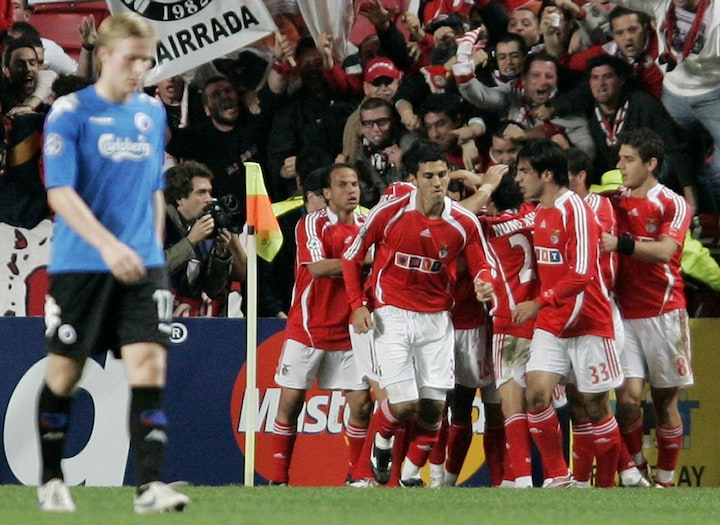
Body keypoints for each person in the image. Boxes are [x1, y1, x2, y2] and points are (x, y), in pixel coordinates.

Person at [37, 12, 190, 513]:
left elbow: (154, 189)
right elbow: (60, 193)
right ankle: (51, 477)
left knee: (150, 364)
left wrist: (154, 250)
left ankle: (149, 486)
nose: (140, 70)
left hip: (141, 265)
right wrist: (108, 246)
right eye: (131, 59)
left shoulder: (152, 113)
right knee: (66, 372)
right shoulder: (69, 112)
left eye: (147, 61)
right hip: (81, 264)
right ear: (103, 56)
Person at [342, 139, 496, 487]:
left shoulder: (463, 222)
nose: (438, 182)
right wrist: (357, 304)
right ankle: (382, 441)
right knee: (403, 405)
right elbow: (352, 256)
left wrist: (485, 282)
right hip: (392, 315)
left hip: (437, 319)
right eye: (429, 176)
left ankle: (410, 475)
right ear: (413, 178)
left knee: (433, 411)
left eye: (442, 174)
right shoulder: (390, 212)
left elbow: (483, 264)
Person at [512, 139, 624, 488]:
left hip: (589, 321)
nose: (518, 179)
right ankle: (558, 478)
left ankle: (605, 488)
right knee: (535, 395)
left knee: (595, 407)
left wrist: (537, 303)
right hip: (553, 323)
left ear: (547, 174)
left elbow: (582, 273)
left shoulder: (575, 209)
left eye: (524, 171)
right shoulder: (541, 212)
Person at [268, 163, 371, 486]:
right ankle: (278, 479)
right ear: (326, 192)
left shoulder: (368, 224)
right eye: (342, 184)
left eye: (354, 184)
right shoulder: (311, 223)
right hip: (308, 328)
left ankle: (357, 476)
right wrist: (361, 261)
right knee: (290, 402)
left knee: (361, 404)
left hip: (350, 330)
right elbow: (317, 268)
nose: (351, 190)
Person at [600, 128, 693, 487]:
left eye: (628, 160)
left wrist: (620, 244)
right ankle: (637, 473)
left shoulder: (672, 203)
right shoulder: (613, 200)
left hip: (664, 312)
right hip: (625, 314)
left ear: (650, 164)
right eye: (620, 158)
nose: (620, 166)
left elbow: (666, 251)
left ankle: (665, 482)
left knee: (666, 401)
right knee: (627, 401)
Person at [164, 160, 246, 317]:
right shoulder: (160, 222)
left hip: (192, 318)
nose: (209, 199)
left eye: (209, 192)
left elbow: (213, 290)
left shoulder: (206, 226)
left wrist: (220, 253)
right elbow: (151, 271)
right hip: (158, 317)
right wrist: (190, 242)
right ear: (180, 198)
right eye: (201, 193)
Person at [353, 97, 416, 208]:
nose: (376, 129)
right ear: (361, 127)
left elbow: (411, 195)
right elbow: (367, 199)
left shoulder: (409, 146)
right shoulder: (361, 154)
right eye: (368, 123)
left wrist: (398, 167)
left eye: (382, 122)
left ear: (393, 122)